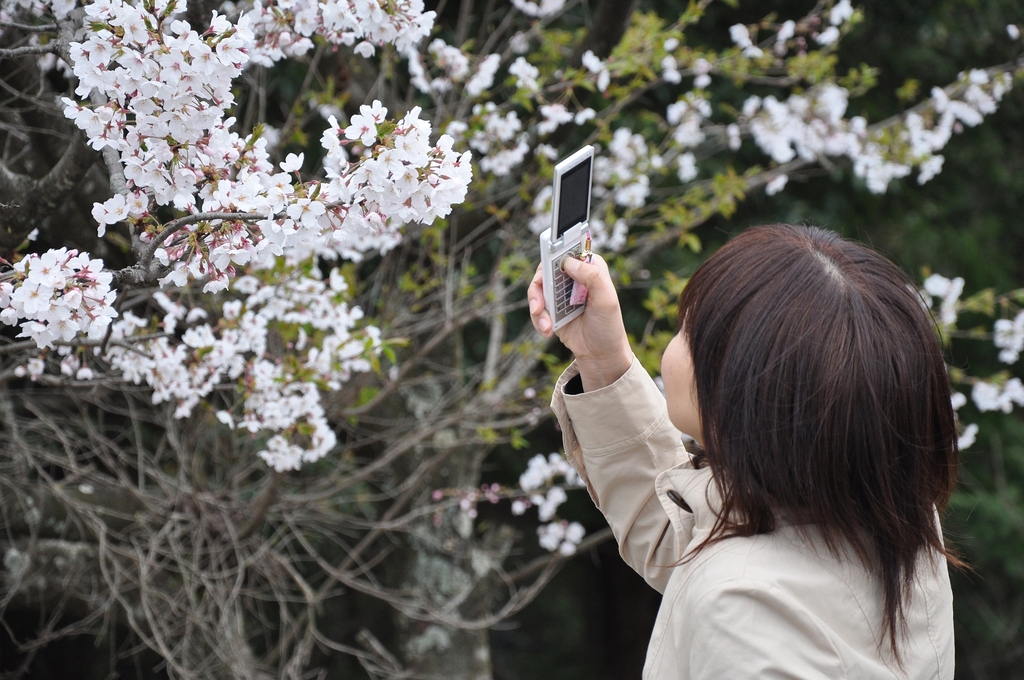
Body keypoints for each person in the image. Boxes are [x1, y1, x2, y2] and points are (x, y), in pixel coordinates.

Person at [527, 224, 959, 679]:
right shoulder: (897, 521)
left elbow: (717, 567)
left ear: (742, 394)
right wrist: (603, 359)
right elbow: (686, 537)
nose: (672, 348)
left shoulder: (739, 607)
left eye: (687, 331)